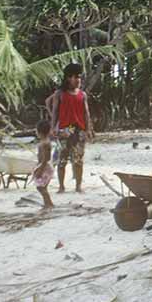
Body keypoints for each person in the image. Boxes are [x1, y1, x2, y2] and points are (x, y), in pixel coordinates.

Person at [47, 63, 94, 194]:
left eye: (80, 77)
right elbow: (55, 111)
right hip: (63, 131)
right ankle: (61, 186)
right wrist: (53, 128)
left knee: (78, 160)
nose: (79, 80)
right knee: (62, 160)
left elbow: (86, 113)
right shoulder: (59, 94)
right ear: (69, 78)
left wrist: (89, 129)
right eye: (76, 77)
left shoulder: (82, 95)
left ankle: (78, 186)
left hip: (79, 131)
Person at [32, 119, 55, 210]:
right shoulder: (43, 142)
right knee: (42, 187)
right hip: (43, 165)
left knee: (41, 187)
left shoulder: (45, 143)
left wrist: (40, 168)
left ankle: (49, 203)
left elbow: (46, 158)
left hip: (45, 166)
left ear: (39, 132)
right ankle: (47, 203)